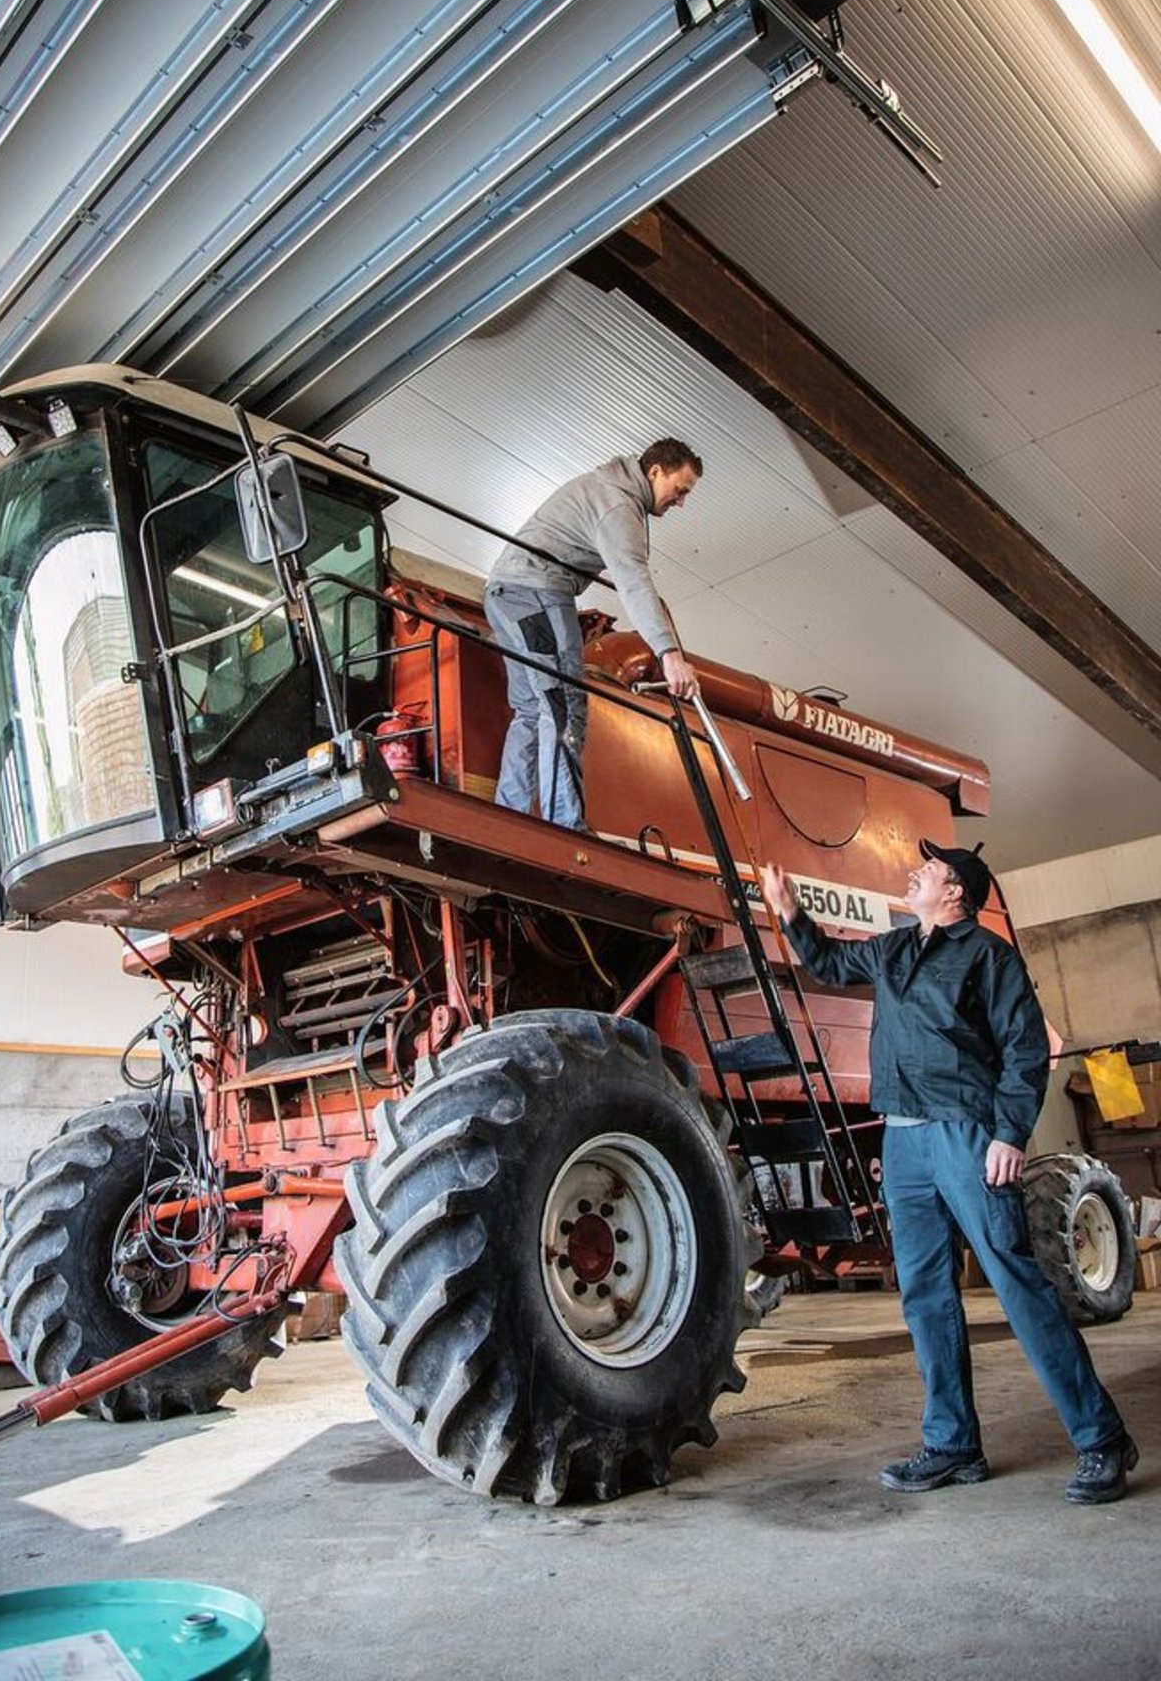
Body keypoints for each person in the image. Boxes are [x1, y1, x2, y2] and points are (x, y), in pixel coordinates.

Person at [760, 840, 1137, 1504]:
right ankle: (953, 1445)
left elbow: (1024, 1052)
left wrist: (1008, 1135)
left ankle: (1103, 1439)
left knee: (1019, 1286)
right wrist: (789, 912)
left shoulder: (990, 959)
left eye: (929, 868)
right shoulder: (894, 948)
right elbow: (824, 960)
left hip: (965, 1134)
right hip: (903, 1143)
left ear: (956, 889)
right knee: (925, 1295)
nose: (916, 871)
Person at [484, 440, 702, 830]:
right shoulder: (618, 507)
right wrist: (669, 653)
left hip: (505, 593)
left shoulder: (604, 488)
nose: (681, 502)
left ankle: (508, 817)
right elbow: (635, 580)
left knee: (533, 710)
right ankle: (564, 826)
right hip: (537, 591)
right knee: (564, 704)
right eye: (680, 490)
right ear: (655, 472)